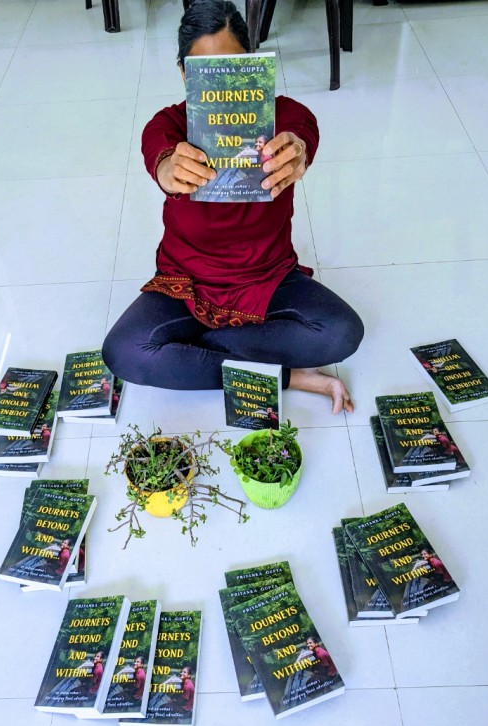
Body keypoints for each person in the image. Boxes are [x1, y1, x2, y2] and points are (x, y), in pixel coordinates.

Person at [102, 0, 363, 415]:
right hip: (185, 284)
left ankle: (189, 353)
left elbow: (303, 134)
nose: (222, 85)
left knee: (343, 333)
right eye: (206, 72)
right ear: (185, 75)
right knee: (123, 352)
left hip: (268, 278)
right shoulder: (167, 124)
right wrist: (170, 168)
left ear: (252, 64)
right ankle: (285, 376)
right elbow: (161, 156)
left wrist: (297, 152)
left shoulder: (286, 116)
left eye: (233, 66)